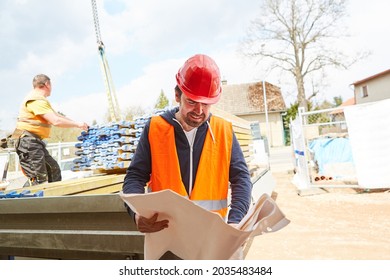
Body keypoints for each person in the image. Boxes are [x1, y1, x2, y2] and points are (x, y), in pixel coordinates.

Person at [123, 54, 253, 254]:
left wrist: (236, 221)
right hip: (167, 243)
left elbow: (241, 178)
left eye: (206, 104)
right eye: (192, 102)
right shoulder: (155, 128)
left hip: (210, 240)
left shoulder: (223, 131)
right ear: (177, 95)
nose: (199, 111)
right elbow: (135, 176)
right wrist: (136, 215)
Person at [12, 74, 89, 187]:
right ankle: (35, 201)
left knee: (54, 169)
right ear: (47, 84)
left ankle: (54, 201)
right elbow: (55, 120)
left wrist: (78, 124)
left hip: (34, 142)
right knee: (39, 179)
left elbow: (57, 116)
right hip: (28, 142)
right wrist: (77, 124)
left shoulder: (40, 101)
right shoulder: (35, 100)